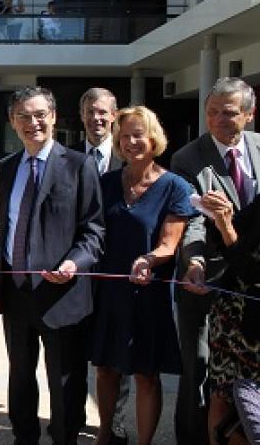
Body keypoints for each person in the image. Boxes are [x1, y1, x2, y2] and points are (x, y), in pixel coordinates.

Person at [0, 86, 104, 445]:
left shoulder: (79, 165)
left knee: (65, 381)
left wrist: (74, 262)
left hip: (62, 294)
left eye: (39, 114)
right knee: (20, 376)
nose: (32, 123)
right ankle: (24, 437)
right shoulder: (4, 170)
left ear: (53, 117)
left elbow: (94, 230)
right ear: (12, 122)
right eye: (23, 116)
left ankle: (65, 438)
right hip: (16, 294)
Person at [90, 106, 196, 445]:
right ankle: (106, 435)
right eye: (125, 136)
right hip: (107, 293)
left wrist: (148, 259)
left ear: (154, 138)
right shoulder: (104, 183)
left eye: (138, 134)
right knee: (106, 368)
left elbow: (170, 243)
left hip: (149, 294)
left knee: (145, 375)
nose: (132, 141)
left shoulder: (175, 186)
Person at [171, 76, 260, 445]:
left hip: (252, 287)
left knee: (244, 379)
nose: (220, 121)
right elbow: (190, 221)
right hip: (206, 277)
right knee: (198, 369)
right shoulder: (187, 158)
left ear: (250, 115)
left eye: (229, 113)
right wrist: (194, 263)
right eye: (212, 113)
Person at [75, 87, 129, 445]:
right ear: (82, 116)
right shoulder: (67, 159)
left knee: (116, 356)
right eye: (90, 111)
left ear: (114, 115)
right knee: (75, 351)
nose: (97, 117)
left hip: (117, 272)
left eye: (103, 112)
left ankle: (116, 421)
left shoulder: (131, 158)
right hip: (77, 273)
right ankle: (71, 414)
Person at [199, 189, 260, 445]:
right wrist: (218, 214)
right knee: (221, 397)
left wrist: (227, 232)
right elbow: (230, 238)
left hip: (254, 330)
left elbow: (252, 272)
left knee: (249, 410)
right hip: (230, 317)